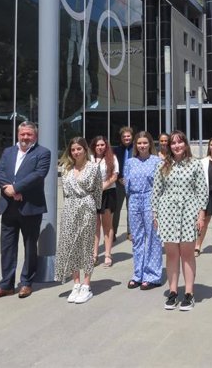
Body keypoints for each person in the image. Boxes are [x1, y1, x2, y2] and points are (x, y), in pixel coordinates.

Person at [0, 121, 51, 300]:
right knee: (7, 248)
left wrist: (17, 188)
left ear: (35, 136)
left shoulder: (43, 153)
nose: (25, 137)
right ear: (18, 134)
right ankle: (6, 285)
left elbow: (38, 175)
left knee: (30, 247)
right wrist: (9, 189)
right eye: (22, 134)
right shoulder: (8, 152)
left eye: (29, 134)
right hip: (8, 207)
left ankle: (26, 283)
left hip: (30, 207)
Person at [152, 131, 208, 311]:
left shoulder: (195, 165)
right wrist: (155, 215)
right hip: (167, 212)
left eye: (180, 142)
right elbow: (156, 192)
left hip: (189, 212)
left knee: (187, 253)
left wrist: (201, 216)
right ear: (169, 146)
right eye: (173, 143)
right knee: (171, 254)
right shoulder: (162, 166)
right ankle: (173, 291)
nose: (176, 146)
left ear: (185, 145)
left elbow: (202, 192)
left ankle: (189, 293)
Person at [54, 137, 102, 304]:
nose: (76, 152)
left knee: (86, 245)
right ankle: (76, 283)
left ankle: (86, 285)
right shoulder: (66, 169)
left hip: (87, 206)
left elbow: (97, 191)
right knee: (70, 245)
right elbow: (64, 192)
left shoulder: (94, 168)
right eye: (73, 150)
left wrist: (94, 209)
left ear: (85, 149)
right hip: (69, 207)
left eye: (79, 149)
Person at [124, 131, 164, 290]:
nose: (142, 146)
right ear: (136, 145)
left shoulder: (157, 161)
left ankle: (152, 275)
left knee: (153, 237)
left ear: (150, 144)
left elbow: (160, 184)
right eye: (139, 143)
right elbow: (127, 183)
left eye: (145, 143)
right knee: (137, 238)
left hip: (150, 199)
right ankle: (138, 274)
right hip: (134, 200)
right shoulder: (130, 162)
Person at [90, 136, 119, 268]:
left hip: (108, 194)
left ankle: (108, 254)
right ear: (93, 146)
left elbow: (114, 176)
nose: (100, 147)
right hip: (92, 195)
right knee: (95, 226)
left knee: (107, 226)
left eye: (102, 145)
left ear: (106, 146)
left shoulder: (112, 158)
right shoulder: (89, 159)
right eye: (97, 145)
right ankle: (94, 254)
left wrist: (102, 187)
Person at [113, 126, 134, 241]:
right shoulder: (115, 150)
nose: (126, 138)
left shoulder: (136, 149)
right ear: (121, 138)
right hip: (119, 183)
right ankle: (113, 232)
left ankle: (130, 232)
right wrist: (119, 178)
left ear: (132, 137)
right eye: (124, 136)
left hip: (132, 183)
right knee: (116, 209)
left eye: (128, 136)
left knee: (131, 208)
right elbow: (113, 166)